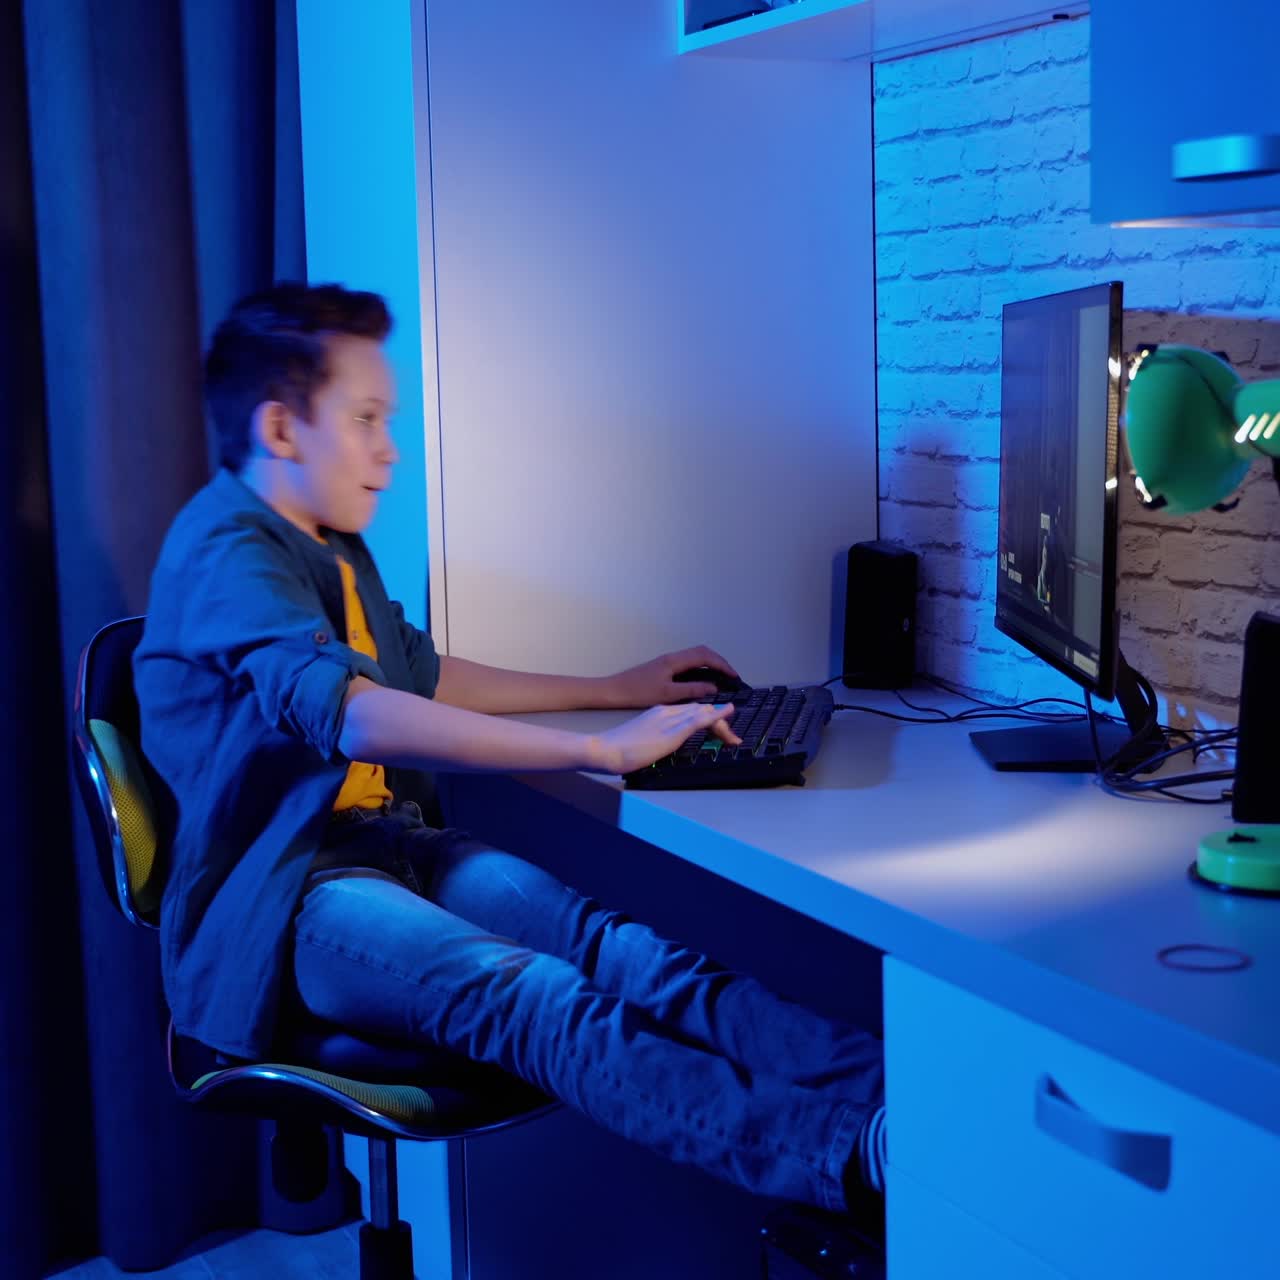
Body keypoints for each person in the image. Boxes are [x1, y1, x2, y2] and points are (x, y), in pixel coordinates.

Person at [134, 282, 886, 1218]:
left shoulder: (329, 543)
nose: (388, 449)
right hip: (289, 901)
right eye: (366, 420)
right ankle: (855, 1155)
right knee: (541, 997)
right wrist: (596, 751)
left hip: (387, 849)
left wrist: (617, 687)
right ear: (282, 429)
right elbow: (358, 715)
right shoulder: (227, 552)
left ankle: (910, 1102)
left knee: (630, 955)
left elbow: (420, 674)